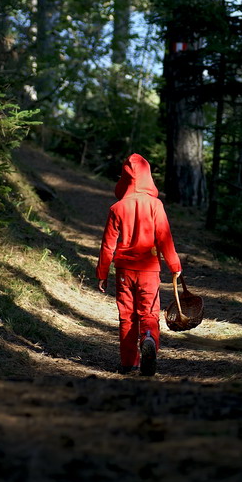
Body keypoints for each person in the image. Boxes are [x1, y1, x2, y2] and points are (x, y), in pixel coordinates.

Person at [96, 153, 182, 376]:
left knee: (127, 315)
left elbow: (107, 245)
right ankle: (149, 338)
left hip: (124, 270)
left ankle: (128, 363)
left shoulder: (117, 208)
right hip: (149, 270)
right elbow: (165, 238)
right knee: (149, 313)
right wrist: (175, 266)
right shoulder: (156, 205)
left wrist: (102, 273)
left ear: (124, 178)